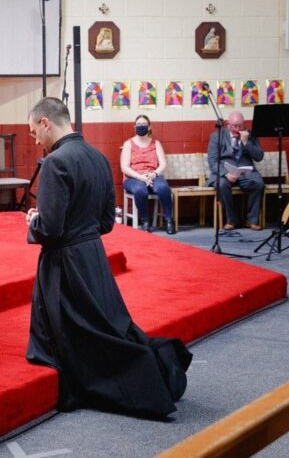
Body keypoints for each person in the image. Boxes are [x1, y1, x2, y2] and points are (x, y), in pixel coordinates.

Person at [25, 97, 192, 420]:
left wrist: (34, 220)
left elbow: (51, 229)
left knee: (82, 336)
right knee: (107, 325)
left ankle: (140, 378)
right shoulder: (98, 158)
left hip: (66, 266)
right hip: (94, 259)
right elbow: (105, 222)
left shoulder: (56, 162)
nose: (35, 140)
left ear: (46, 122)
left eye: (34, 132)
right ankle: (159, 364)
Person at [207, 111, 264, 230]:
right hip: (226, 171)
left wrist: (246, 142)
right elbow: (212, 160)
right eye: (234, 126)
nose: (237, 129)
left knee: (258, 184)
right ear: (228, 124)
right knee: (221, 185)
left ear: (244, 124)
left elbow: (259, 156)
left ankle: (251, 220)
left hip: (246, 172)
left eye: (240, 126)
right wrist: (226, 174)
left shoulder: (251, 135)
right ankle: (232, 219)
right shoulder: (217, 136)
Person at [120, 114, 175, 234]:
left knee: (163, 188)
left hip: (153, 175)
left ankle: (169, 220)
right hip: (133, 177)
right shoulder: (128, 144)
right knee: (140, 190)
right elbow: (124, 167)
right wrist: (140, 177)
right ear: (134, 127)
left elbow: (163, 164)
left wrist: (154, 174)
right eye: (138, 124)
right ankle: (145, 221)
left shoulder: (156, 143)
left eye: (144, 124)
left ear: (149, 127)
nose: (141, 126)